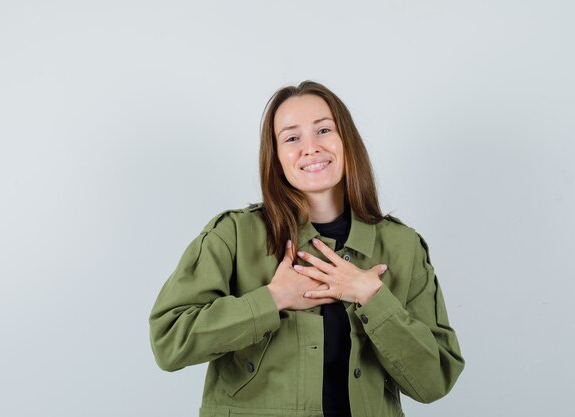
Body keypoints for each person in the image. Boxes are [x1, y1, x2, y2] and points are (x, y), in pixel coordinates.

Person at [149, 81, 464, 417]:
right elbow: (168, 343)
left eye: (324, 130)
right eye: (292, 137)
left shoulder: (403, 247)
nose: (311, 148)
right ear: (276, 156)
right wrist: (272, 299)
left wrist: (374, 298)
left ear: (347, 142)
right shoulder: (233, 236)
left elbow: (434, 382)